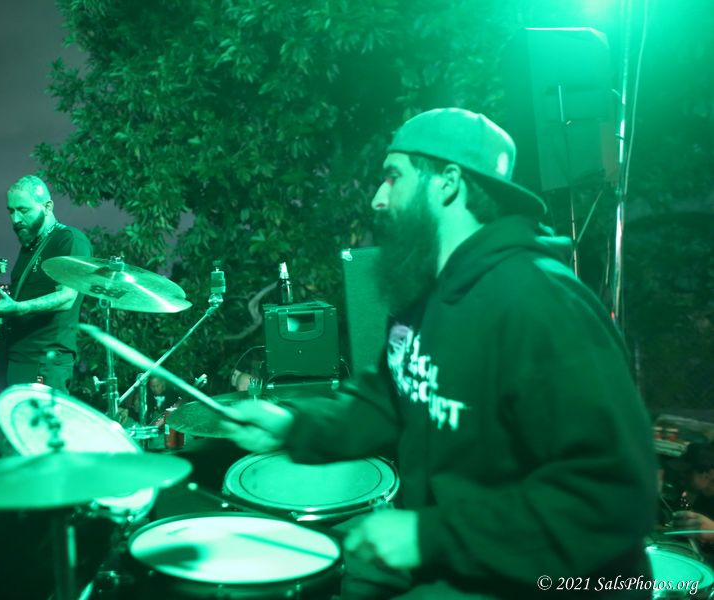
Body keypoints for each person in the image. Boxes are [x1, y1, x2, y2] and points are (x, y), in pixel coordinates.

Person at [224, 109, 658, 599]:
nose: (378, 198)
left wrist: (428, 535)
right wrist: (291, 425)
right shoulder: (423, 296)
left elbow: (612, 492)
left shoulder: (541, 302)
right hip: (463, 561)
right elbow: (391, 399)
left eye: (394, 176)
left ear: (448, 183)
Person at [0, 175, 92, 392]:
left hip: (45, 360)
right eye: (11, 211)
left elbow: (67, 297)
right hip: (15, 359)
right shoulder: (28, 248)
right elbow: (19, 298)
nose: (15, 219)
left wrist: (18, 308)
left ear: (47, 207)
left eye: (23, 210)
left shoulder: (69, 239)